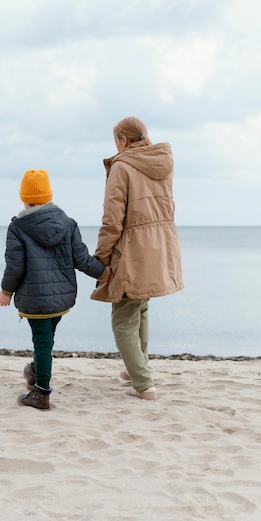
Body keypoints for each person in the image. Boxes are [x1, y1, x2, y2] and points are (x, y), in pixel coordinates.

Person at [0, 169, 107, 410]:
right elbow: (81, 259)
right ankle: (35, 371)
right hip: (62, 297)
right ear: (49, 196)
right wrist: (103, 272)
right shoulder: (68, 223)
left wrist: (6, 291)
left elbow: (15, 266)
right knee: (46, 338)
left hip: (34, 299)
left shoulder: (17, 227)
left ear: (24, 197)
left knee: (42, 342)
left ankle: (41, 393)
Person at [91, 116, 184, 400]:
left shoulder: (122, 166)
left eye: (116, 141)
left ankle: (144, 385)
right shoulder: (162, 162)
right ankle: (135, 370)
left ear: (123, 140)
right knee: (139, 307)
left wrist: (101, 257)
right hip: (160, 247)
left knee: (122, 317)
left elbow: (112, 219)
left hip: (132, 249)